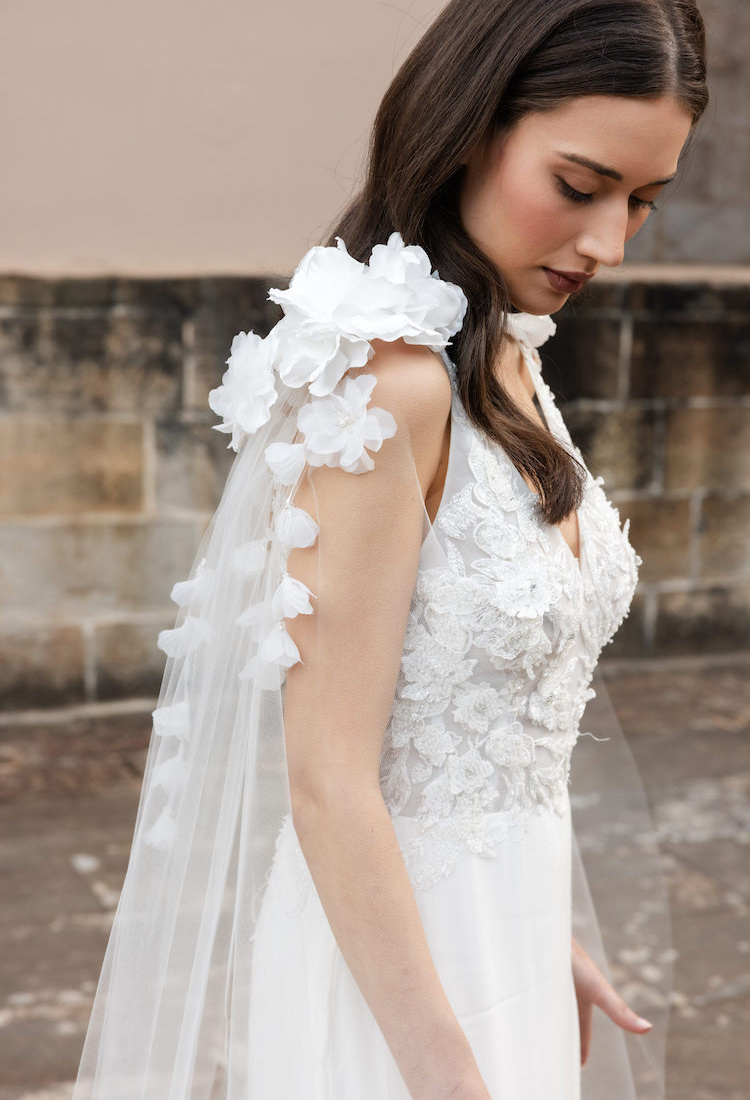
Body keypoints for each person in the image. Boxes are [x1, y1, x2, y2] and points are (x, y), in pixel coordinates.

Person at [72, 1, 709, 1097]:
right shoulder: (390, 388)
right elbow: (328, 777)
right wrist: (447, 1069)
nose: (608, 242)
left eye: (643, 202)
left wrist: (534, 935)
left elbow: (465, 722)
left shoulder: (508, 351)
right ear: (470, 128)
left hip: (493, 932)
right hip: (397, 1010)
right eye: (579, 185)